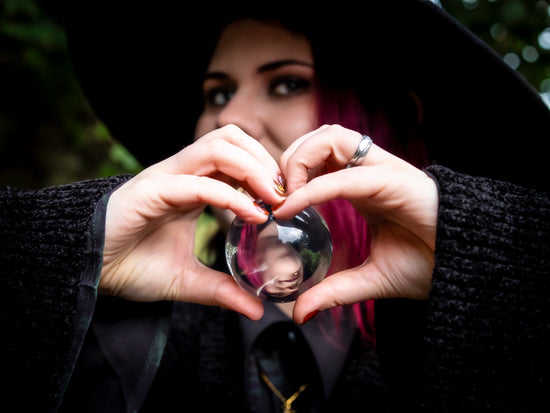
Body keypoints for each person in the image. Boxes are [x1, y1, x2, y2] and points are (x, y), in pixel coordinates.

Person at [2, 1, 549, 412]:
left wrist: (499, 264)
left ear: (393, 121)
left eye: (287, 83)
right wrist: (62, 252)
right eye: (216, 94)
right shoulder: (119, 342)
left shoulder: (500, 332)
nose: (228, 118)